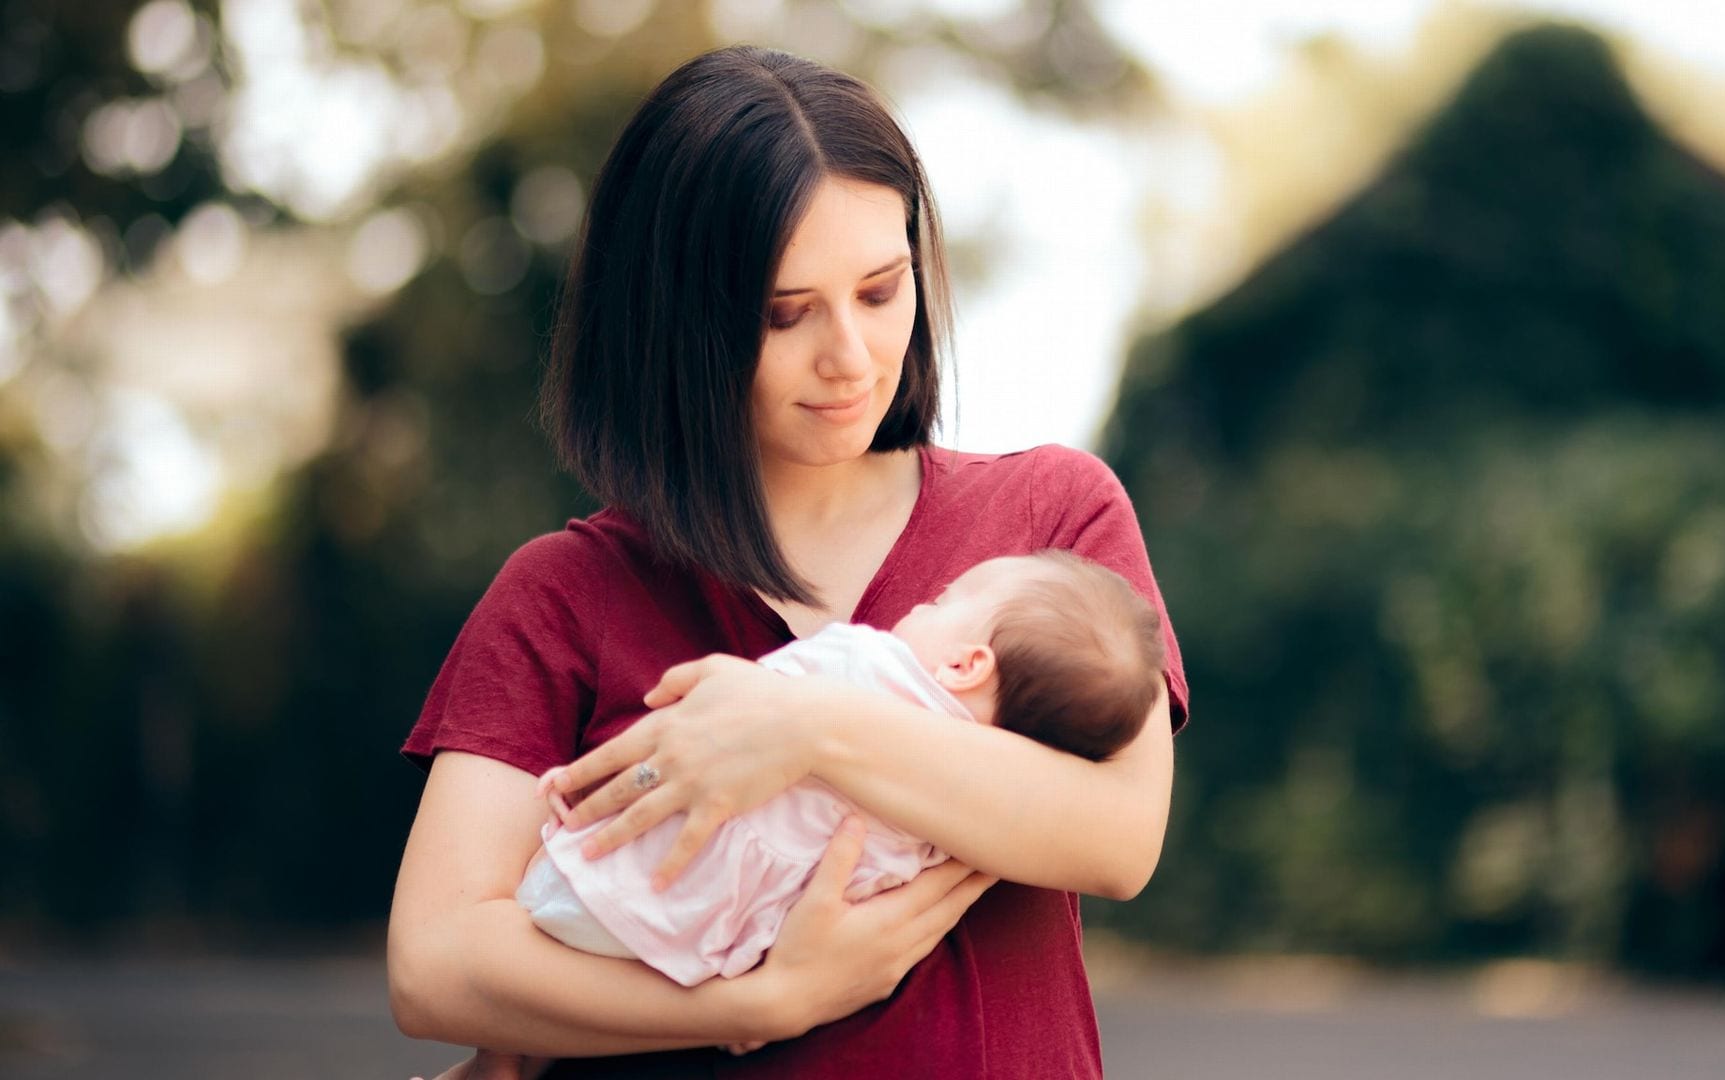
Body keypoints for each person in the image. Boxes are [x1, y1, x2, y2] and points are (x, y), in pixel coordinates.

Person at [388, 43, 1188, 1080]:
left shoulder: (1048, 520)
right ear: (676, 325)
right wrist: (758, 1001)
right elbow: (436, 963)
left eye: (880, 289)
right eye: (784, 313)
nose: (850, 357)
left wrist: (806, 724)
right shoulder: (567, 595)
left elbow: (1119, 833)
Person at [445, 551, 1168, 1079]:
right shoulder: (944, 823)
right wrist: (754, 1003)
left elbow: (749, 700)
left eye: (947, 594)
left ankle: (502, 1058)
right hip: (706, 945)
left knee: (555, 935)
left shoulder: (866, 663)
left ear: (966, 665)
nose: (925, 602)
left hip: (619, 884)